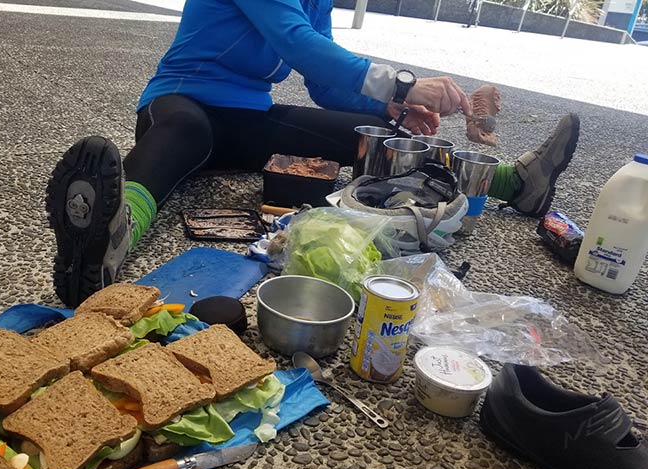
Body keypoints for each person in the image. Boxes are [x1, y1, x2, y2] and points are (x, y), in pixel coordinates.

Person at [45, 0, 580, 308]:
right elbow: (296, 42)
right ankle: (109, 237)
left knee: (376, 138)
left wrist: (394, 107)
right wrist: (403, 81)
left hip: (250, 119)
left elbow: (324, 83)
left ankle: (515, 183)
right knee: (178, 136)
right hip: (183, 99)